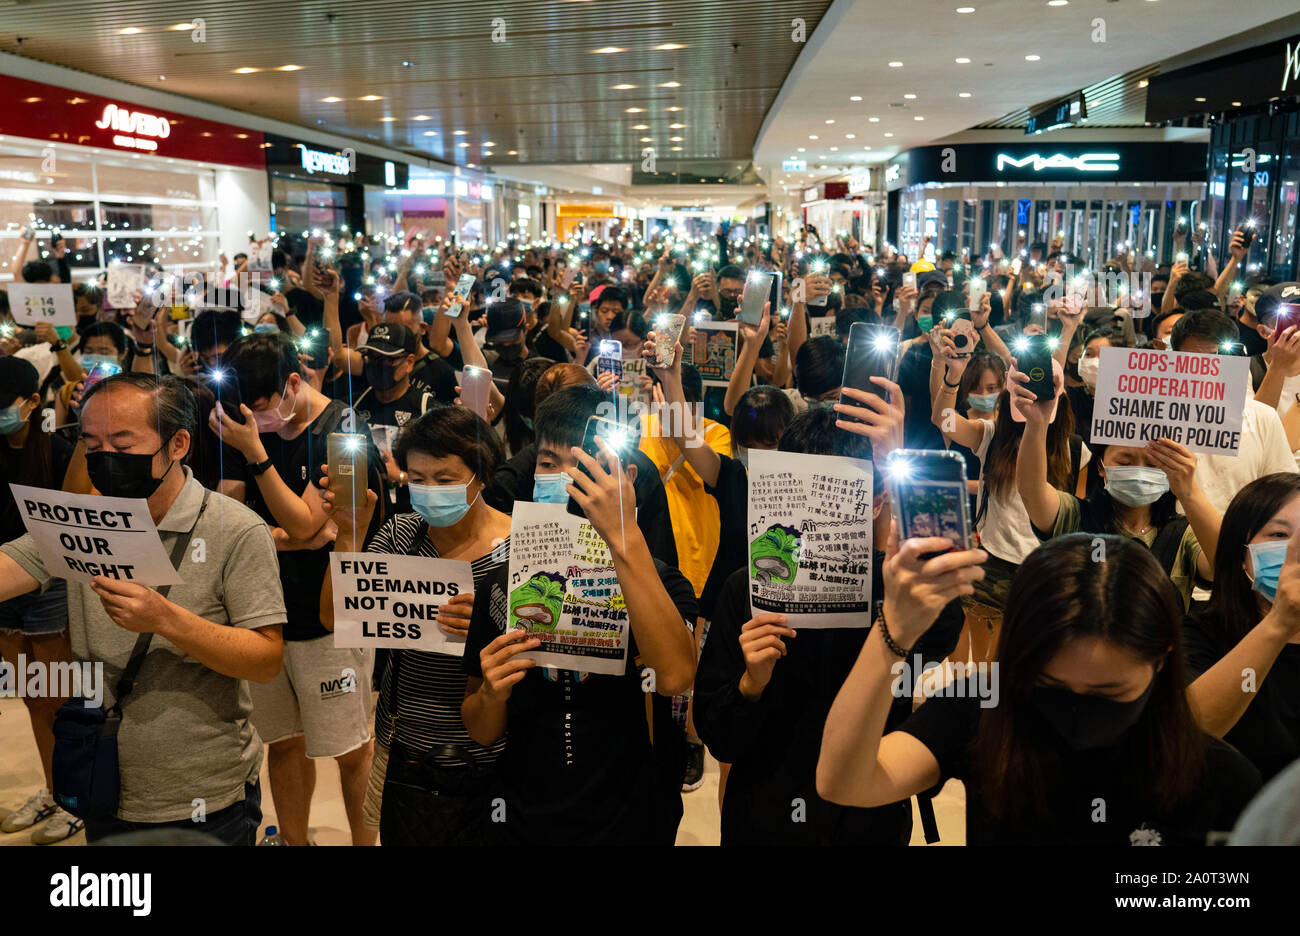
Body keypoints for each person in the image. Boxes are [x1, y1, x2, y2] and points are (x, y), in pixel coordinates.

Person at [817, 534, 1262, 845]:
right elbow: (845, 782)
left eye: (1108, 691)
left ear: (1162, 658)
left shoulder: (1222, 782)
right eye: (1048, 684)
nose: (1075, 707)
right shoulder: (983, 706)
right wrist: (893, 632)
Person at [0, 372, 285, 844]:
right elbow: (12, 565)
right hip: (101, 777)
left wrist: (167, 620)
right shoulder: (88, 520)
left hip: (204, 792)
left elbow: (265, 659)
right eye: (91, 445)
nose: (104, 458)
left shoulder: (236, 530)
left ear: (177, 444)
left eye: (123, 444)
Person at [461, 388, 698, 844]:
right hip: (524, 815)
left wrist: (621, 534)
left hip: (633, 814)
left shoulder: (663, 582)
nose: (566, 479)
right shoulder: (503, 580)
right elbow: (481, 728)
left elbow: (674, 676)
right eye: (549, 464)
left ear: (625, 476)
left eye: (585, 466)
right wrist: (491, 694)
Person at [213, 332, 384, 846]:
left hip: (329, 615)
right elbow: (231, 524)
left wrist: (257, 456)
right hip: (262, 616)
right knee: (283, 745)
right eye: (249, 417)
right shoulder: (245, 430)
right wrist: (291, 536)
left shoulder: (344, 431)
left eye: (263, 410)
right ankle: (293, 840)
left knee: (351, 750)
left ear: (294, 382)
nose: (257, 423)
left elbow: (310, 525)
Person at [319, 404, 512, 845]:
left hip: (490, 752)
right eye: (417, 479)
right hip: (404, 745)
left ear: (480, 476)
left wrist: (488, 627)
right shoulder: (400, 534)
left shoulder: (518, 546)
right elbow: (335, 616)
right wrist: (349, 533)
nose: (429, 491)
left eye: (444, 479)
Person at [1011, 359, 1219, 610]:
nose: (1139, 471)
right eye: (1125, 461)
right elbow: (1031, 491)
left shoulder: (1183, 534)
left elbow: (1222, 567)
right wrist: (1037, 425)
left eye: (1153, 465)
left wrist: (1189, 492)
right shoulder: (1077, 517)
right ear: (1100, 466)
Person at [0, 358, 78, 844]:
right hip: (4, 592)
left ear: (32, 404)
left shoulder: (61, 450)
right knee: (31, 699)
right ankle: (53, 790)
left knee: (60, 701)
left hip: (50, 591)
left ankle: (73, 798)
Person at [1184, 474, 1300, 782]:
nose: (1294, 552)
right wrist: (1280, 622)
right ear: (1241, 553)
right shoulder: (1200, 632)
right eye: (1279, 535)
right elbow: (1189, 729)